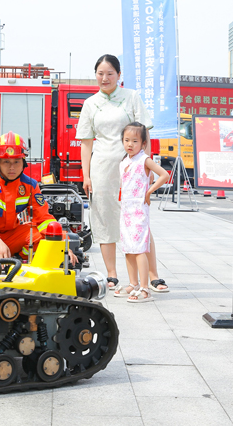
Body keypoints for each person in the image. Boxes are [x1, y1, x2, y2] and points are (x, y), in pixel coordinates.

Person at [77, 54, 169, 293]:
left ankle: (152, 274)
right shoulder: (90, 103)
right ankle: (112, 274)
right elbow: (86, 143)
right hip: (102, 168)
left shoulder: (132, 98)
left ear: (119, 75)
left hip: (132, 169)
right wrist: (86, 175)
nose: (105, 78)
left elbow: (145, 136)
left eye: (110, 73)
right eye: (100, 73)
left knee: (138, 222)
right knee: (104, 219)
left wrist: (145, 168)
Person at [0, 132, 76, 264]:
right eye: (6, 161)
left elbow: (43, 219)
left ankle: (19, 258)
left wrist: (63, 245)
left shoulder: (30, 185)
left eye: (16, 161)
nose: (12, 167)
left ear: (24, 162)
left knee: (38, 234)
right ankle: (6, 256)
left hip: (13, 237)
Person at [112, 122, 169, 303]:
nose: (130, 144)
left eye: (135, 141)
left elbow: (164, 175)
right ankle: (133, 283)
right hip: (126, 209)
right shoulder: (124, 161)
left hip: (138, 210)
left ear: (143, 143)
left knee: (139, 249)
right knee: (128, 248)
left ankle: (145, 288)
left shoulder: (144, 160)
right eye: (126, 140)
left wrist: (149, 191)